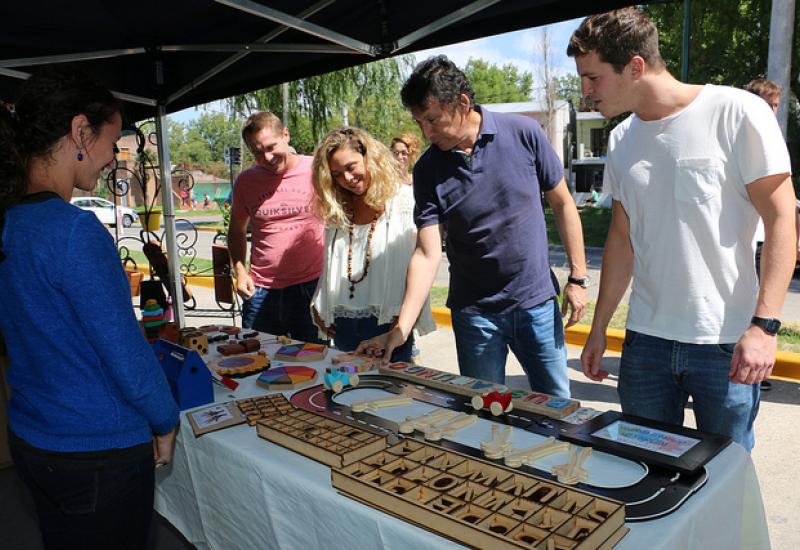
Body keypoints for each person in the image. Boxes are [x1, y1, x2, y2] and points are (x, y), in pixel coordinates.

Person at [568, 8, 795, 451]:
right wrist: (599, 327)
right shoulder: (621, 139)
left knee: (725, 474)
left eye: (593, 78)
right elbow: (621, 239)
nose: (586, 91)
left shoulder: (737, 112)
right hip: (645, 343)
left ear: (635, 66)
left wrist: (765, 326)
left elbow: (783, 217)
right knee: (645, 467)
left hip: (724, 342)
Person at [0, 70, 179, 549]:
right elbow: (125, 353)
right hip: (96, 450)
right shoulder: (73, 232)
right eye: (112, 141)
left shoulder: (11, 223)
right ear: (81, 131)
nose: (113, 157)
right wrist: (165, 419)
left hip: (34, 437)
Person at [358, 56, 588, 397]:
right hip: (475, 317)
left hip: (536, 305)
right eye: (419, 122)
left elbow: (563, 203)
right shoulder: (428, 170)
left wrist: (578, 278)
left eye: (432, 119)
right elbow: (426, 253)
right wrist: (401, 328)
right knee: (483, 412)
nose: (426, 133)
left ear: (462, 103)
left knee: (556, 408)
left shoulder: (523, 133)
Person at [310, 127, 435, 362]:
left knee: (390, 386)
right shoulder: (338, 210)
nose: (347, 179)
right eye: (337, 174)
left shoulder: (404, 201)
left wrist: (401, 325)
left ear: (370, 158)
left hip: (388, 325)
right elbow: (332, 262)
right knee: (346, 385)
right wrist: (320, 302)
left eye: (351, 167)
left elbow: (422, 264)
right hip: (342, 325)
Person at [228, 111, 324, 341]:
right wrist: (240, 271)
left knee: (314, 357)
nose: (268, 157)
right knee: (256, 353)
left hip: (312, 287)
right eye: (258, 153)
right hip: (261, 289)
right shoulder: (246, 182)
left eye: (271, 147)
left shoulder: (317, 170)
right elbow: (236, 231)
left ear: (286, 135)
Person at [744, 77, 787, 392]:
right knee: (746, 301)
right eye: (768, 104)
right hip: (743, 238)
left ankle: (757, 364)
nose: (772, 111)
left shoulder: (774, 138)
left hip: (766, 237)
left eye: (775, 105)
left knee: (764, 301)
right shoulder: (741, 136)